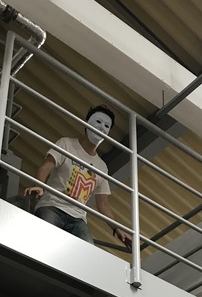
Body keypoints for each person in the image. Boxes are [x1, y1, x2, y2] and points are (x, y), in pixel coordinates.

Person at [25, 105, 132, 248]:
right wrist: (39, 185)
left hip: (78, 219)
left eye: (107, 126)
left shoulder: (101, 167)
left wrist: (117, 228)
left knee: (88, 251)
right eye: (98, 122)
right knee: (44, 241)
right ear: (87, 122)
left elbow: (103, 204)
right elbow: (45, 167)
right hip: (52, 206)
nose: (101, 128)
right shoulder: (66, 144)